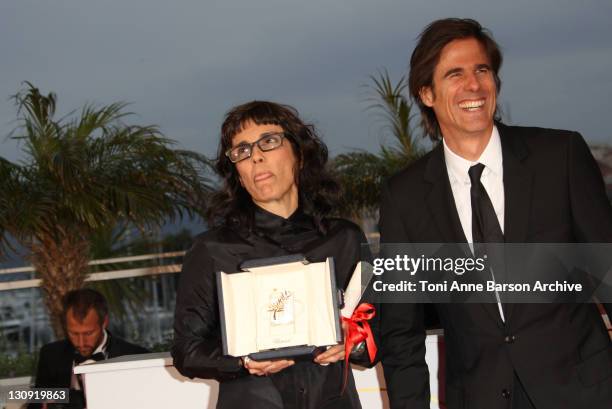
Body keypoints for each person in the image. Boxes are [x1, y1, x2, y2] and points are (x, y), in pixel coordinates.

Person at [378, 18, 612, 409]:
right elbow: (400, 333)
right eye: (455, 74)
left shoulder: (561, 157)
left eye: (482, 70)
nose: (473, 85)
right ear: (427, 94)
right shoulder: (404, 197)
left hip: (585, 392)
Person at [172, 101, 373, 409]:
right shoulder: (211, 250)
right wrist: (239, 362)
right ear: (237, 173)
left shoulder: (344, 239)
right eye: (242, 151)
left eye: (268, 141)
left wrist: (354, 342)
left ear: (300, 154)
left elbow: (384, 334)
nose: (256, 156)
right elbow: (186, 352)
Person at [29, 289, 149, 409]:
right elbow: (36, 404)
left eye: (88, 333)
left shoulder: (137, 357)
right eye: (74, 333)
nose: (81, 342)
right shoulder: (50, 355)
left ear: (104, 322)